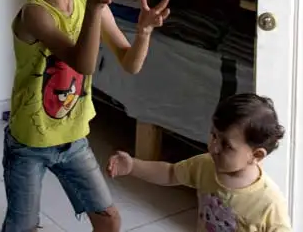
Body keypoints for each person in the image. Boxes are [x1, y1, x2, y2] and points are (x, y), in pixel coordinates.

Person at [2, 0, 171, 232]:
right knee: (21, 226)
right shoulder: (34, 13)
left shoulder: (90, 5)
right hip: (29, 142)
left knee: (109, 219)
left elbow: (130, 63)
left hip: (74, 139)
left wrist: (144, 32)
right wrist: (93, 10)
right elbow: (84, 64)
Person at [107, 93, 290, 232]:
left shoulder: (269, 204)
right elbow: (170, 173)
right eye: (214, 136)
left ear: (256, 155)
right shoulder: (205, 165)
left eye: (226, 145)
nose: (214, 147)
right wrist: (132, 165)